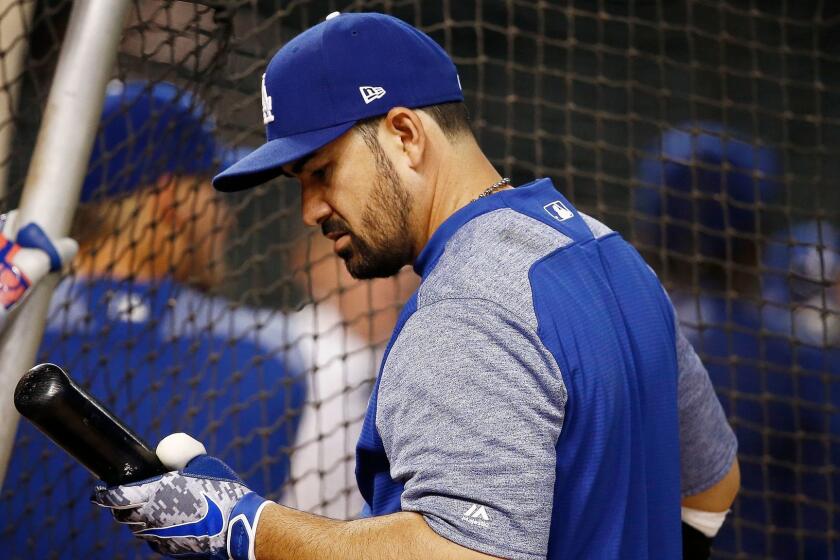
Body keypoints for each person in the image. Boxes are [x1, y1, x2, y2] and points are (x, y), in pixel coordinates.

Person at [92, 13, 739, 560]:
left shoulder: (465, 308)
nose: (310, 209)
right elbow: (713, 488)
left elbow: (465, 554)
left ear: (405, 134)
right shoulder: (610, 252)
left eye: (321, 171)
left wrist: (246, 528)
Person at [2, 80, 306, 559]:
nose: (225, 218)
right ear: (172, 202)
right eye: (210, 193)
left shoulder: (13, 331)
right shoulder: (269, 357)